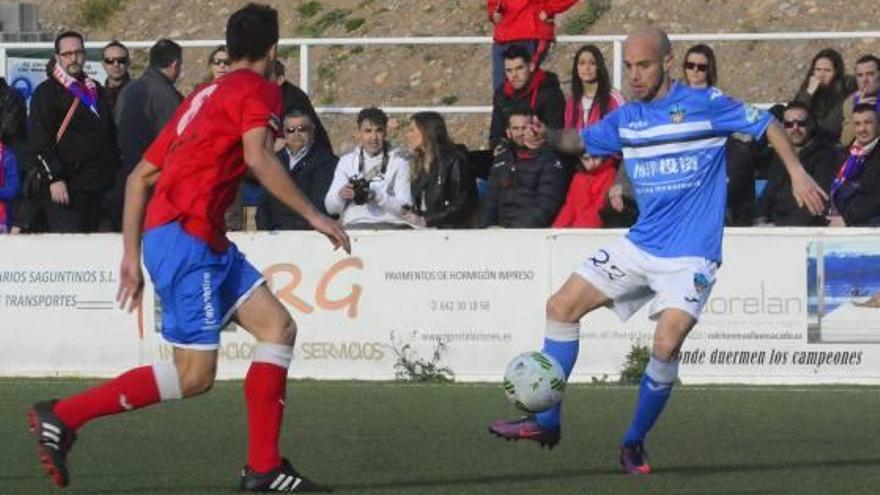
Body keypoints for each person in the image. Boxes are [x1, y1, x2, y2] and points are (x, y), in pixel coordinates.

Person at [27, 4, 349, 492]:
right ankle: (63, 415)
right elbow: (258, 156)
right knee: (194, 376)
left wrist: (132, 256)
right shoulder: (258, 89)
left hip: (195, 238)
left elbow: (139, 177)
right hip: (186, 238)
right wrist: (315, 215)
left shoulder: (203, 95)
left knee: (278, 327)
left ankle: (264, 469)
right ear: (273, 50)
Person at [488, 26, 827, 475]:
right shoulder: (629, 118)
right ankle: (545, 421)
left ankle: (633, 442)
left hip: (691, 256)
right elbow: (579, 141)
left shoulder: (705, 105)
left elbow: (767, 123)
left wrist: (798, 172)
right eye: (628, 67)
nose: (634, 75)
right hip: (641, 244)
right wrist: (544, 134)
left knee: (666, 344)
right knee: (560, 307)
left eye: (643, 65)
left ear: (667, 62)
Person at [28, 32, 120, 233]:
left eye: (78, 52)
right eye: (67, 54)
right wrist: (54, 178)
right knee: (70, 250)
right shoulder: (46, 92)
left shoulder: (94, 88)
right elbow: (40, 140)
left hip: (98, 187)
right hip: (67, 188)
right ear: (58, 57)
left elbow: (109, 133)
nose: (73, 58)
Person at [112, 38, 184, 231]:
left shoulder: (128, 90)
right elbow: (177, 142)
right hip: (156, 182)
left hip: (127, 178)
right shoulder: (167, 95)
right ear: (174, 64)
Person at [554, 45, 625, 228]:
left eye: (592, 63)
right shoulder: (572, 101)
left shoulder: (613, 98)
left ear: (599, 67)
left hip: (608, 165)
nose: (586, 68)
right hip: (581, 165)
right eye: (582, 63)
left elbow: (623, 134)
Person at [324, 107, 412, 229]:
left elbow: (406, 209)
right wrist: (341, 195)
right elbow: (330, 208)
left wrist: (377, 196)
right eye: (368, 131)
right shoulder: (347, 162)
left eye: (378, 131)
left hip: (391, 226)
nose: (374, 137)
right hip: (355, 226)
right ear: (359, 133)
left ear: (386, 132)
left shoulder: (399, 162)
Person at [480, 109, 567, 228]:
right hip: (500, 232)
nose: (520, 133)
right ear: (508, 132)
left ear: (535, 128)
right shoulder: (501, 159)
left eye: (524, 127)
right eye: (515, 128)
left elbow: (546, 205)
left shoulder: (549, 159)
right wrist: (484, 229)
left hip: (532, 234)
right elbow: (490, 200)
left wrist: (516, 232)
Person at [757, 101, 839, 226]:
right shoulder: (781, 155)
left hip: (805, 227)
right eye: (789, 124)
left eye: (801, 123)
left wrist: (781, 226)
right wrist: (759, 219)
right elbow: (769, 192)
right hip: (775, 224)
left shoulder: (825, 155)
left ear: (811, 124)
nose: (795, 128)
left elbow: (819, 201)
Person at [257, 110, 338, 230]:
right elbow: (264, 205)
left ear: (312, 130)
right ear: (284, 133)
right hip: (275, 234)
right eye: (290, 130)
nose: (296, 133)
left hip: (310, 233)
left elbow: (321, 205)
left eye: (302, 128)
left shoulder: (327, 161)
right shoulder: (274, 161)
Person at [402, 111, 475, 228]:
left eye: (412, 130)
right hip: (425, 229)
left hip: (451, 230)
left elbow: (462, 204)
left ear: (426, 132)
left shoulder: (454, 160)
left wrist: (427, 220)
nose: (407, 135)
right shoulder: (418, 162)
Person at [487, 0, 577, 91]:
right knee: (500, 90)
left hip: (531, 35)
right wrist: (493, 13)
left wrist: (549, 9)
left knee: (523, 88)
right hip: (503, 36)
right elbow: (494, 4)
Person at [489, 45, 565, 150]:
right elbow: (495, 135)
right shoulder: (501, 95)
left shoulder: (550, 93)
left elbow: (558, 134)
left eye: (519, 68)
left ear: (531, 66)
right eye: (509, 71)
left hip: (543, 155)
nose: (514, 75)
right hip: (510, 155)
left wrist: (540, 138)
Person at [828, 103, 880, 227]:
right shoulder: (845, 154)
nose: (862, 129)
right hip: (835, 220)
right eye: (858, 124)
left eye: (868, 123)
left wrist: (847, 218)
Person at [795, 48, 853, 141]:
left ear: (836, 72)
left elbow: (831, 126)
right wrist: (808, 94)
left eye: (827, 70)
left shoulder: (844, 91)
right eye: (818, 69)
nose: (821, 75)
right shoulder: (807, 91)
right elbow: (795, 117)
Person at [840, 54, 880, 146]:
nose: (864, 80)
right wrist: (856, 111)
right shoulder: (850, 102)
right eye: (860, 75)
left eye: (870, 74)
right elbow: (845, 141)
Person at [100, 40, 131, 113]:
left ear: (128, 63)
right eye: (110, 61)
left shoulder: (140, 93)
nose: (116, 65)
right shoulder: (97, 95)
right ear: (103, 64)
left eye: (121, 60)